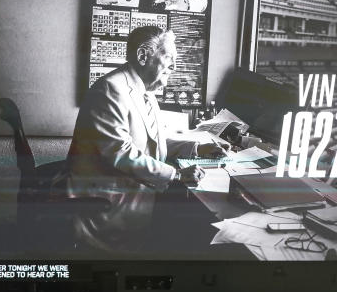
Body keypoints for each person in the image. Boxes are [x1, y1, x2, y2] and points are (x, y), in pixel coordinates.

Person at [66, 25, 222, 253]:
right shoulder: (110, 90)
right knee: (191, 233)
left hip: (135, 194)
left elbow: (151, 143)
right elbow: (121, 153)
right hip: (107, 206)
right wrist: (176, 174)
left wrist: (198, 148)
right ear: (142, 56)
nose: (175, 66)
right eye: (169, 58)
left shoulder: (144, 91)